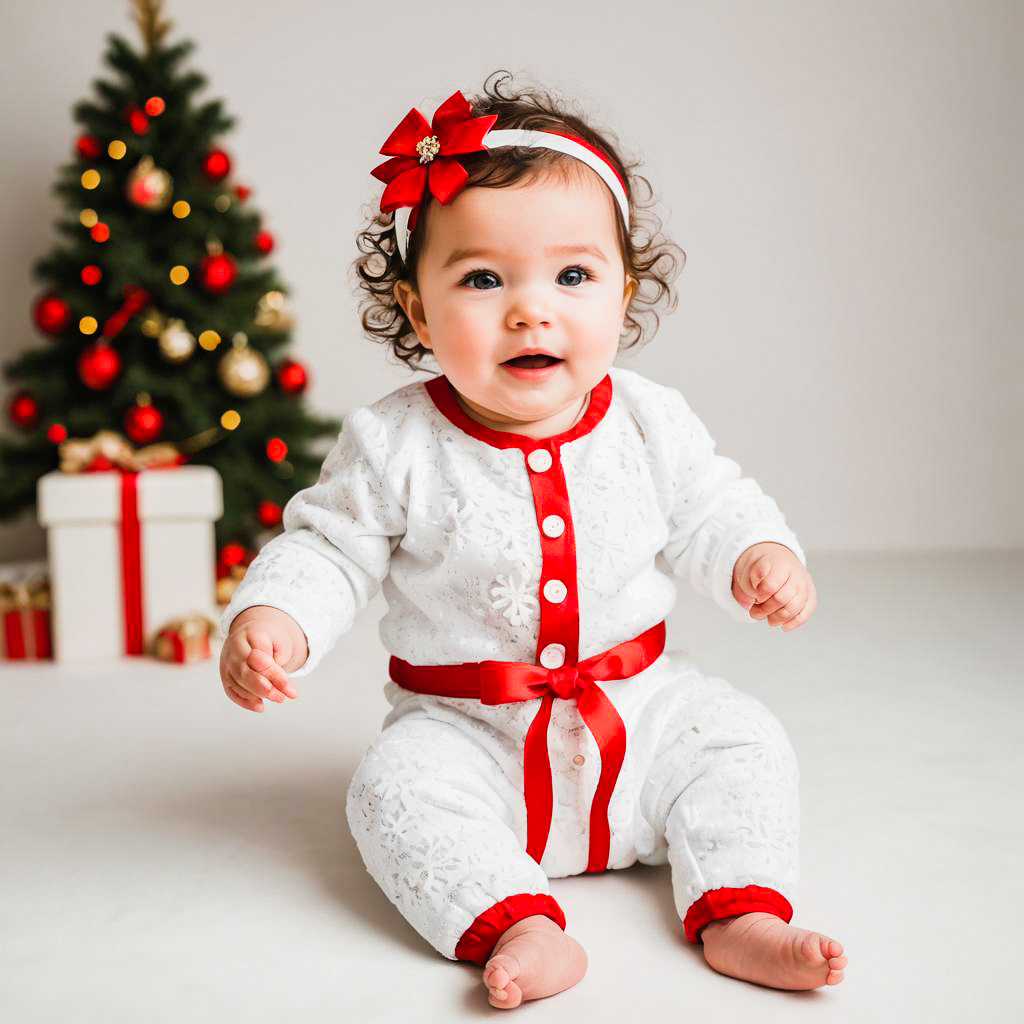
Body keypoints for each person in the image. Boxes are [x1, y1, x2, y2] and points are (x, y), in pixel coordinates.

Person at [218, 72, 847, 1009]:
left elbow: (713, 506)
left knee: (744, 740)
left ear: (623, 292)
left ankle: (738, 912)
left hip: (639, 720)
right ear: (420, 309)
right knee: (391, 791)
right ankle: (516, 920)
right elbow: (330, 546)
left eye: (573, 275)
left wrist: (758, 555)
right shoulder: (396, 443)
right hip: (472, 738)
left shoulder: (648, 421)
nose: (530, 308)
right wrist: (277, 615)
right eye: (481, 278)